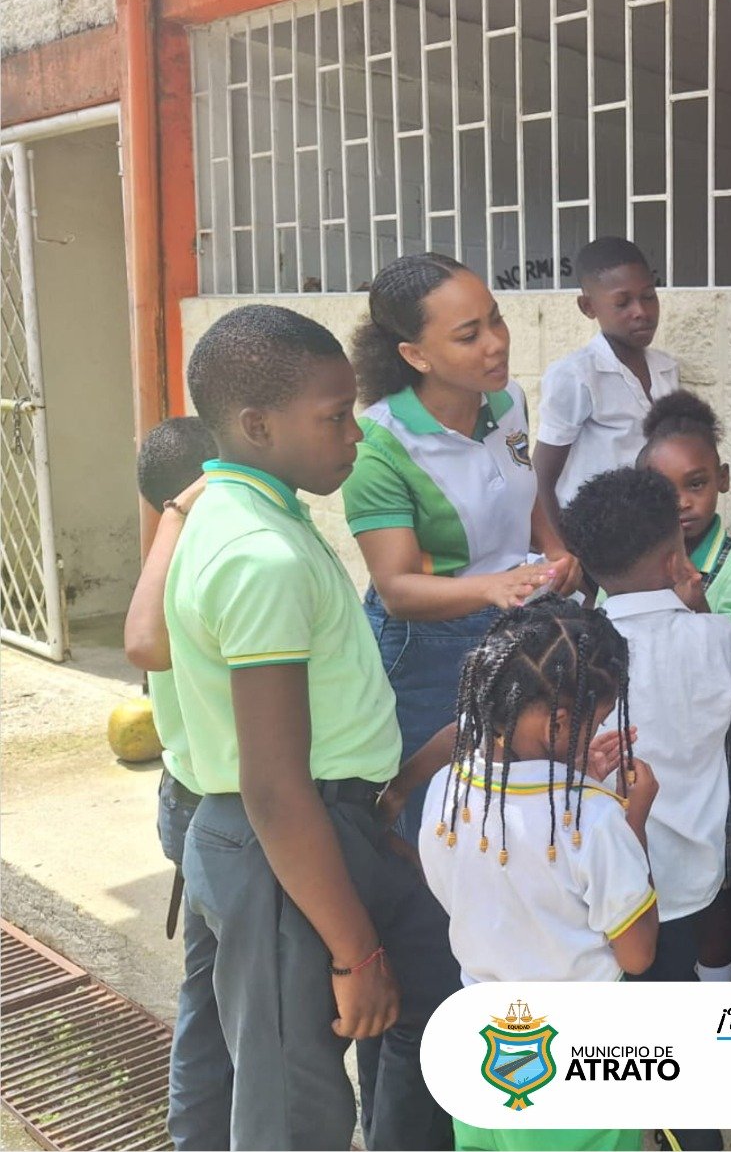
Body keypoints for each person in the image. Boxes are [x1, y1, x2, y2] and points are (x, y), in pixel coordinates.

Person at [168, 304, 455, 1150]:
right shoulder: (260, 554)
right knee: (295, 1110)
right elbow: (273, 784)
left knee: (425, 997)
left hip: (326, 828)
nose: (354, 435)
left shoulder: (253, 513)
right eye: (335, 417)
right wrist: (354, 952)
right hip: (286, 847)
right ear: (258, 425)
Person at [344, 252, 578, 845]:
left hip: (514, 619)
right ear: (415, 355)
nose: (496, 343)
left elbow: (520, 490)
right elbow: (397, 589)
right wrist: (493, 587)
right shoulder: (379, 447)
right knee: (437, 813)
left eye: (496, 319)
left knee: (511, 802)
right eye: (469, 335)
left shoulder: (507, 400)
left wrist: (554, 549)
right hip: (429, 647)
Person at [419, 599, 657, 1152]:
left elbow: (476, 895)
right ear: (561, 723)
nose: (596, 733)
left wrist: (569, 777)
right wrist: (633, 820)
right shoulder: (594, 820)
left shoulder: (447, 789)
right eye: (595, 722)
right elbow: (638, 953)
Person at [558, 467, 731, 990]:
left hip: (602, 880)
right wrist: (698, 604)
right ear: (675, 560)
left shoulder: (574, 651)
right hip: (691, 875)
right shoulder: (720, 638)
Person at [124, 417, 229, 1151]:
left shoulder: (164, 562)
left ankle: (197, 1132)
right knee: (220, 995)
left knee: (208, 986)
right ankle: (200, 1134)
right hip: (215, 805)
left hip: (185, 794)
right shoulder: (211, 564)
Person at [637, 390, 731, 978]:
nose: (683, 503)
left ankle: (717, 980)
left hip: (714, 745)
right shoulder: (633, 561)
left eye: (697, 484)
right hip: (647, 741)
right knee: (649, 852)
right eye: (665, 491)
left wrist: (697, 603)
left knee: (714, 863)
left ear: (723, 480)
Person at [533, 237, 679, 513]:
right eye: (622, 303)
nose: (641, 312)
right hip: (589, 527)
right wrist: (558, 540)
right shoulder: (576, 375)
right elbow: (541, 479)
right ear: (588, 307)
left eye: (649, 296)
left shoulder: (666, 369)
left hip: (648, 522)